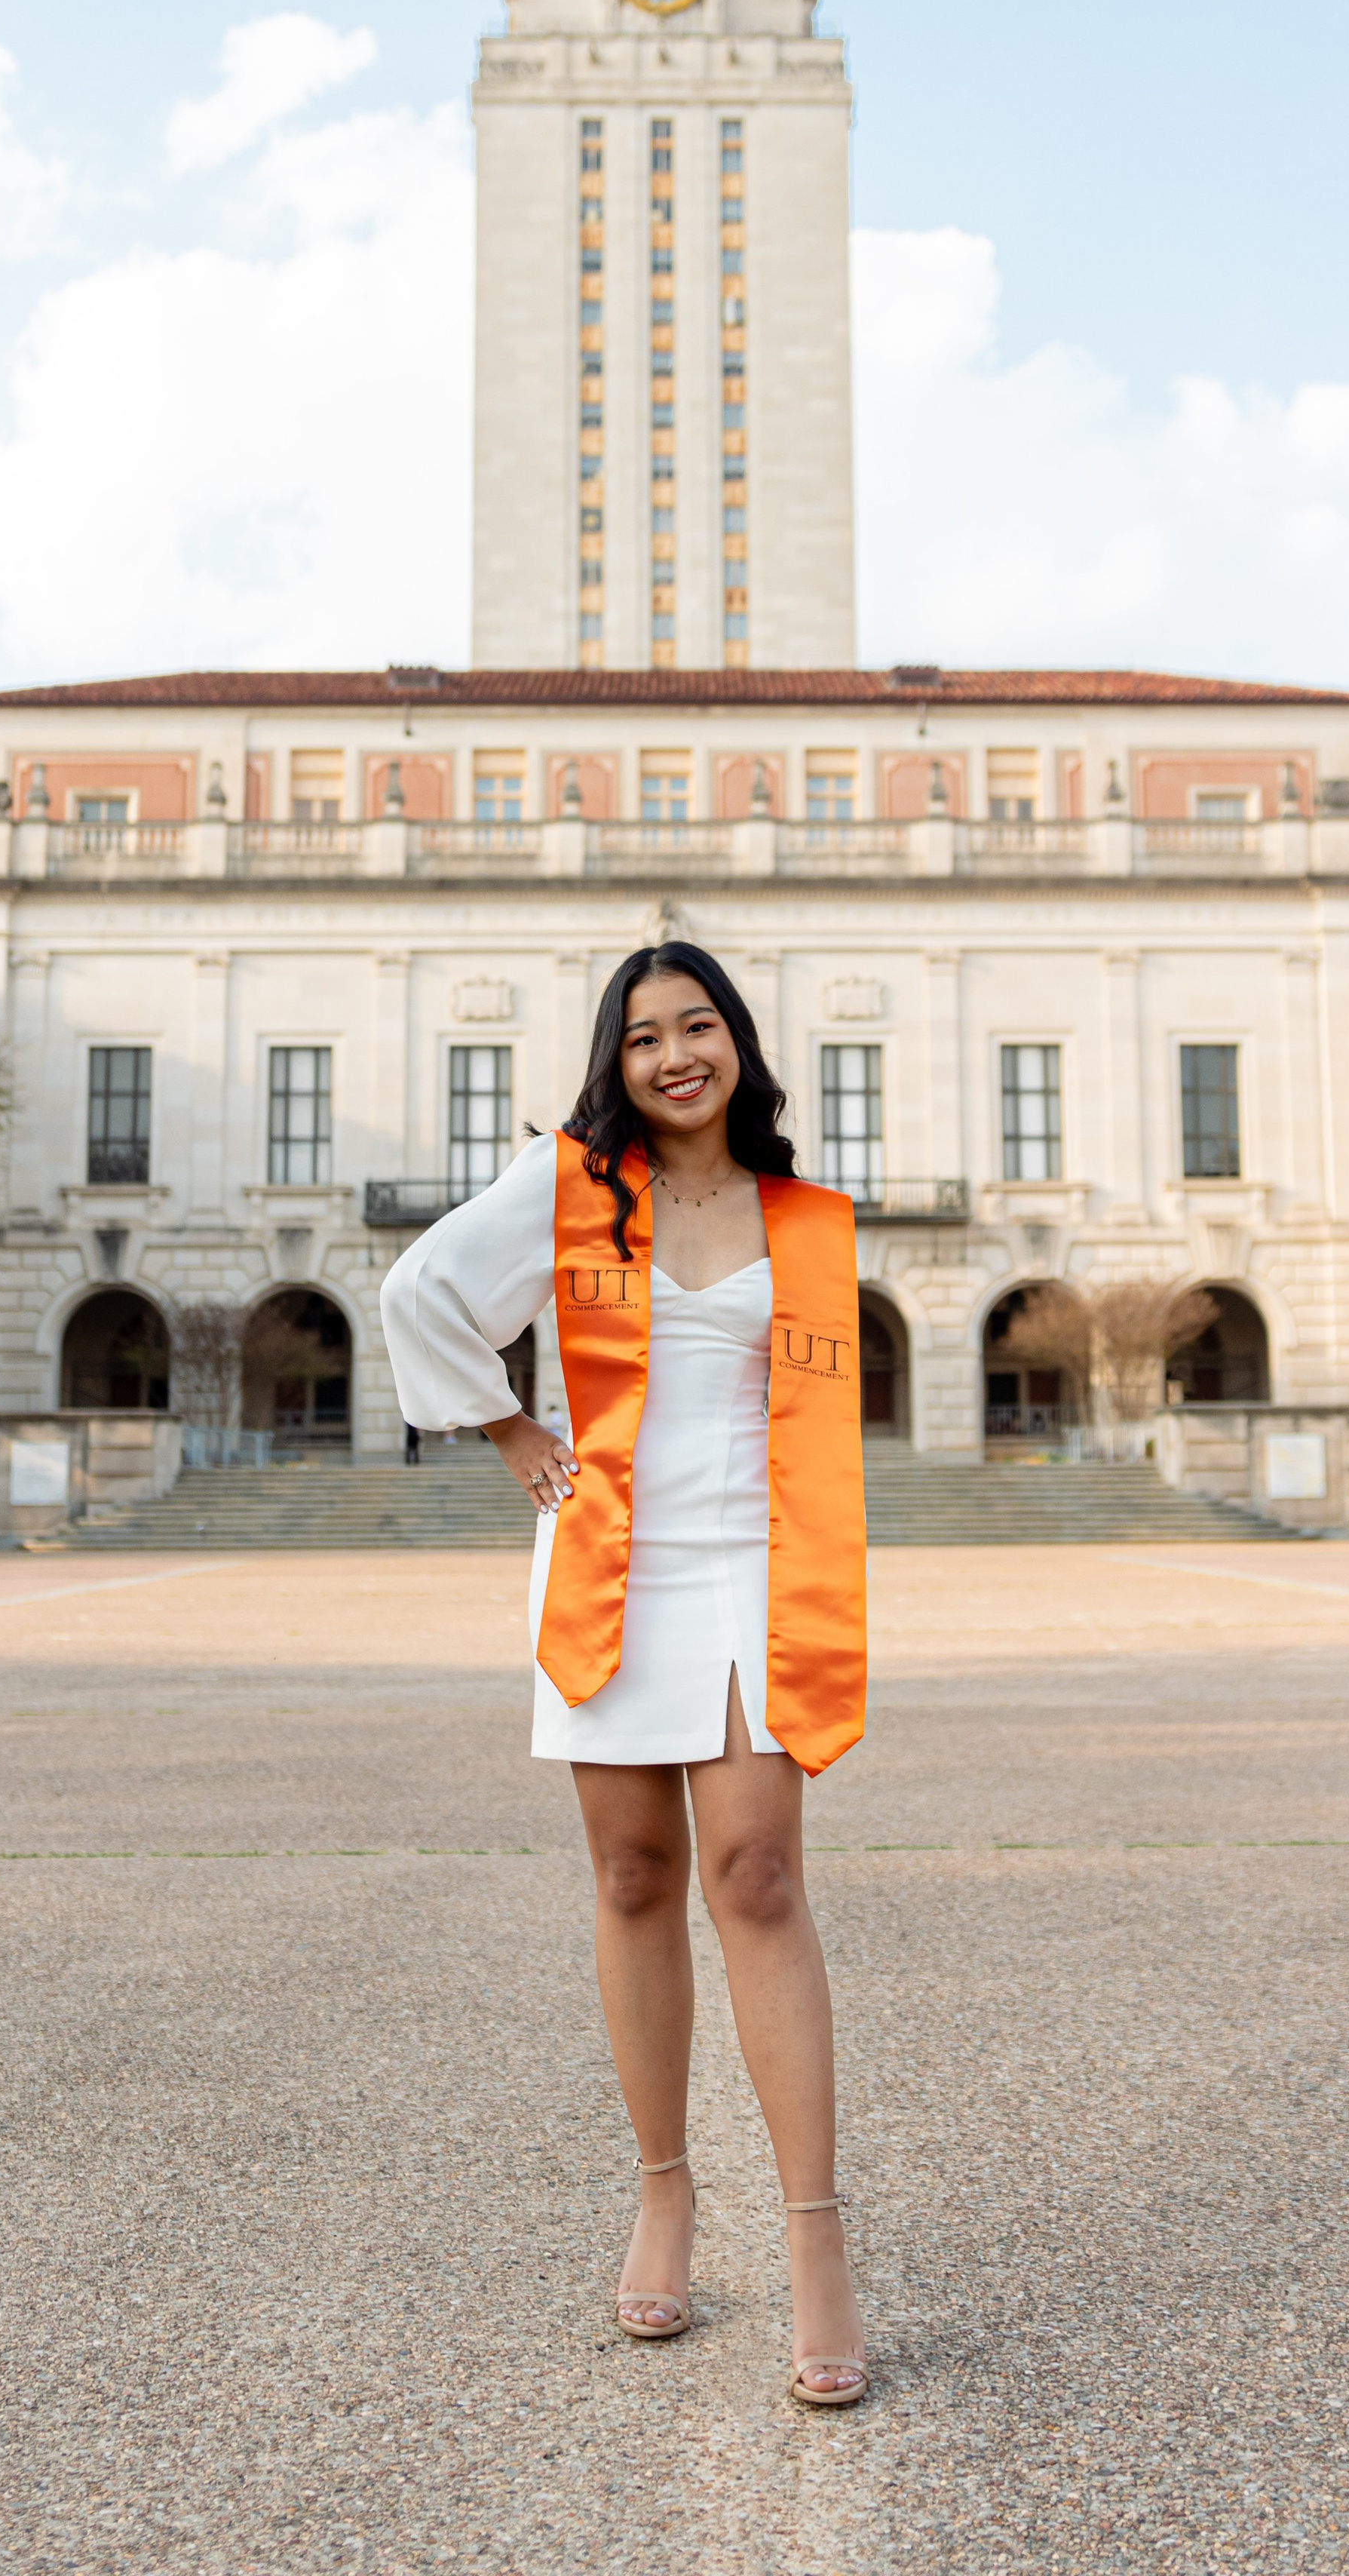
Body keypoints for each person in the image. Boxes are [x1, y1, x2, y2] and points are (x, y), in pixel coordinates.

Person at [380, 942, 869, 2407]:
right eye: (644, 1035)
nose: (673, 1056)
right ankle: (664, 2189)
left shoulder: (805, 1221)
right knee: (636, 1877)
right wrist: (509, 1430)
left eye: (697, 1026)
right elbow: (420, 1290)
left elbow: (824, 1434)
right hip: (611, 1557)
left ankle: (814, 2241)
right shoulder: (569, 1189)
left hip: (755, 1564)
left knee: (758, 1875)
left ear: (737, 1044)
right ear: (618, 1059)